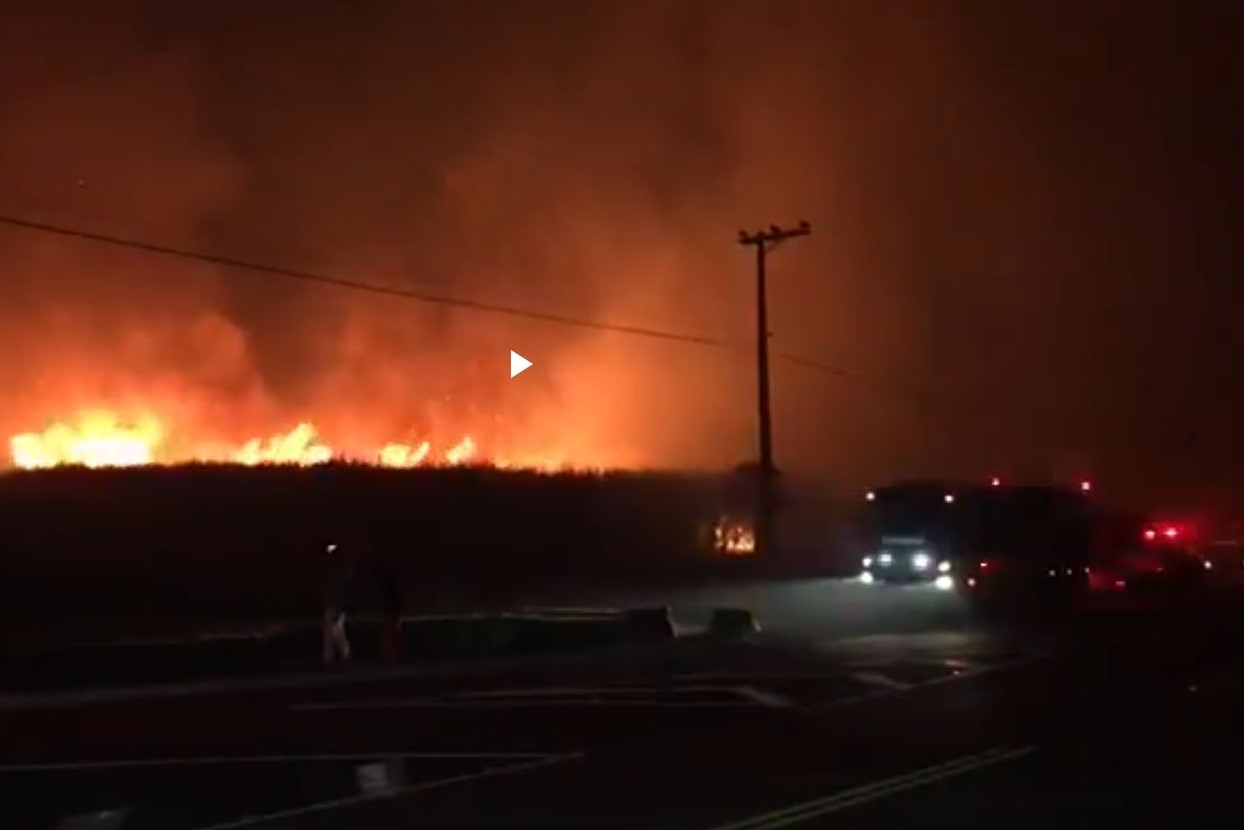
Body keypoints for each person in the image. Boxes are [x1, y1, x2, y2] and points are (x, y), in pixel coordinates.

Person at [322, 542, 354, 667]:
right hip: (334, 605)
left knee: (334, 632)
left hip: (335, 605)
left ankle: (337, 657)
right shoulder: (338, 573)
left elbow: (339, 591)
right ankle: (338, 657)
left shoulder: (339, 574)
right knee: (334, 632)